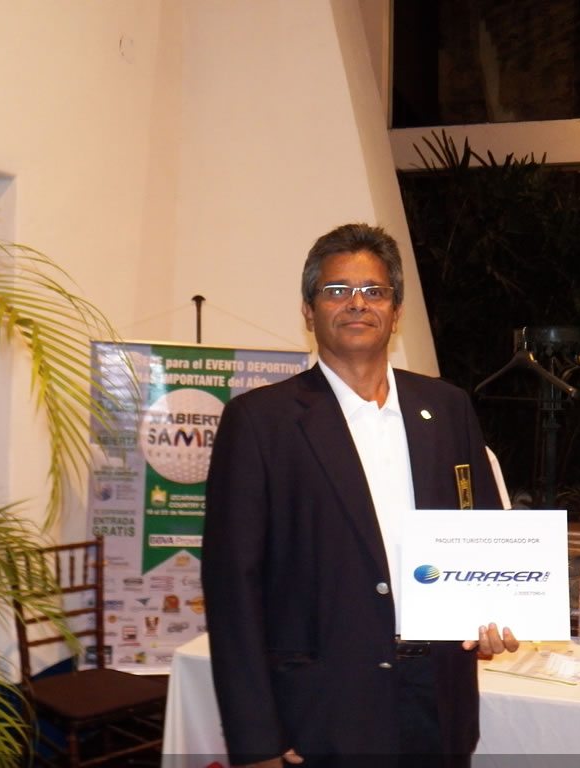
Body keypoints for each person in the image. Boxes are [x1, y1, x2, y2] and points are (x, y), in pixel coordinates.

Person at [201, 223, 518, 768]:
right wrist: (257, 739)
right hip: (320, 710)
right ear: (309, 310)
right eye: (337, 290)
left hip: (437, 699)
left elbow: (482, 531)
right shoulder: (259, 422)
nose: (357, 303)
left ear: (395, 312)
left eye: (374, 291)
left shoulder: (446, 408)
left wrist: (492, 613)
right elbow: (232, 587)